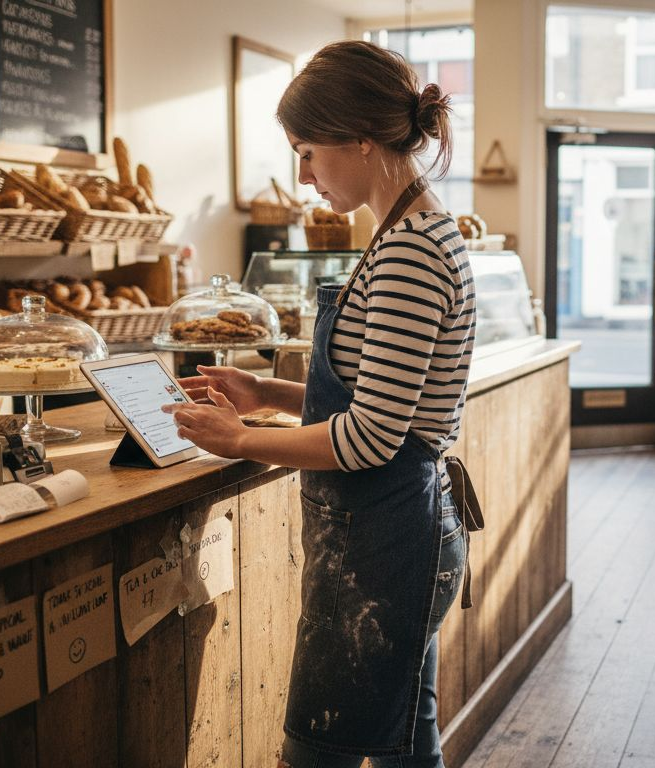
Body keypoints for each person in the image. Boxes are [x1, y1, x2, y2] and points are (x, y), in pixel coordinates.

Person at [161, 40, 476, 768]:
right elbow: (384, 402)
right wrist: (265, 391)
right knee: (406, 741)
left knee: (316, 750)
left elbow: (368, 439)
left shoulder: (407, 252)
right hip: (398, 535)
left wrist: (239, 440)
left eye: (308, 152)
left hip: (388, 545)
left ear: (360, 138)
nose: (304, 179)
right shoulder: (413, 230)